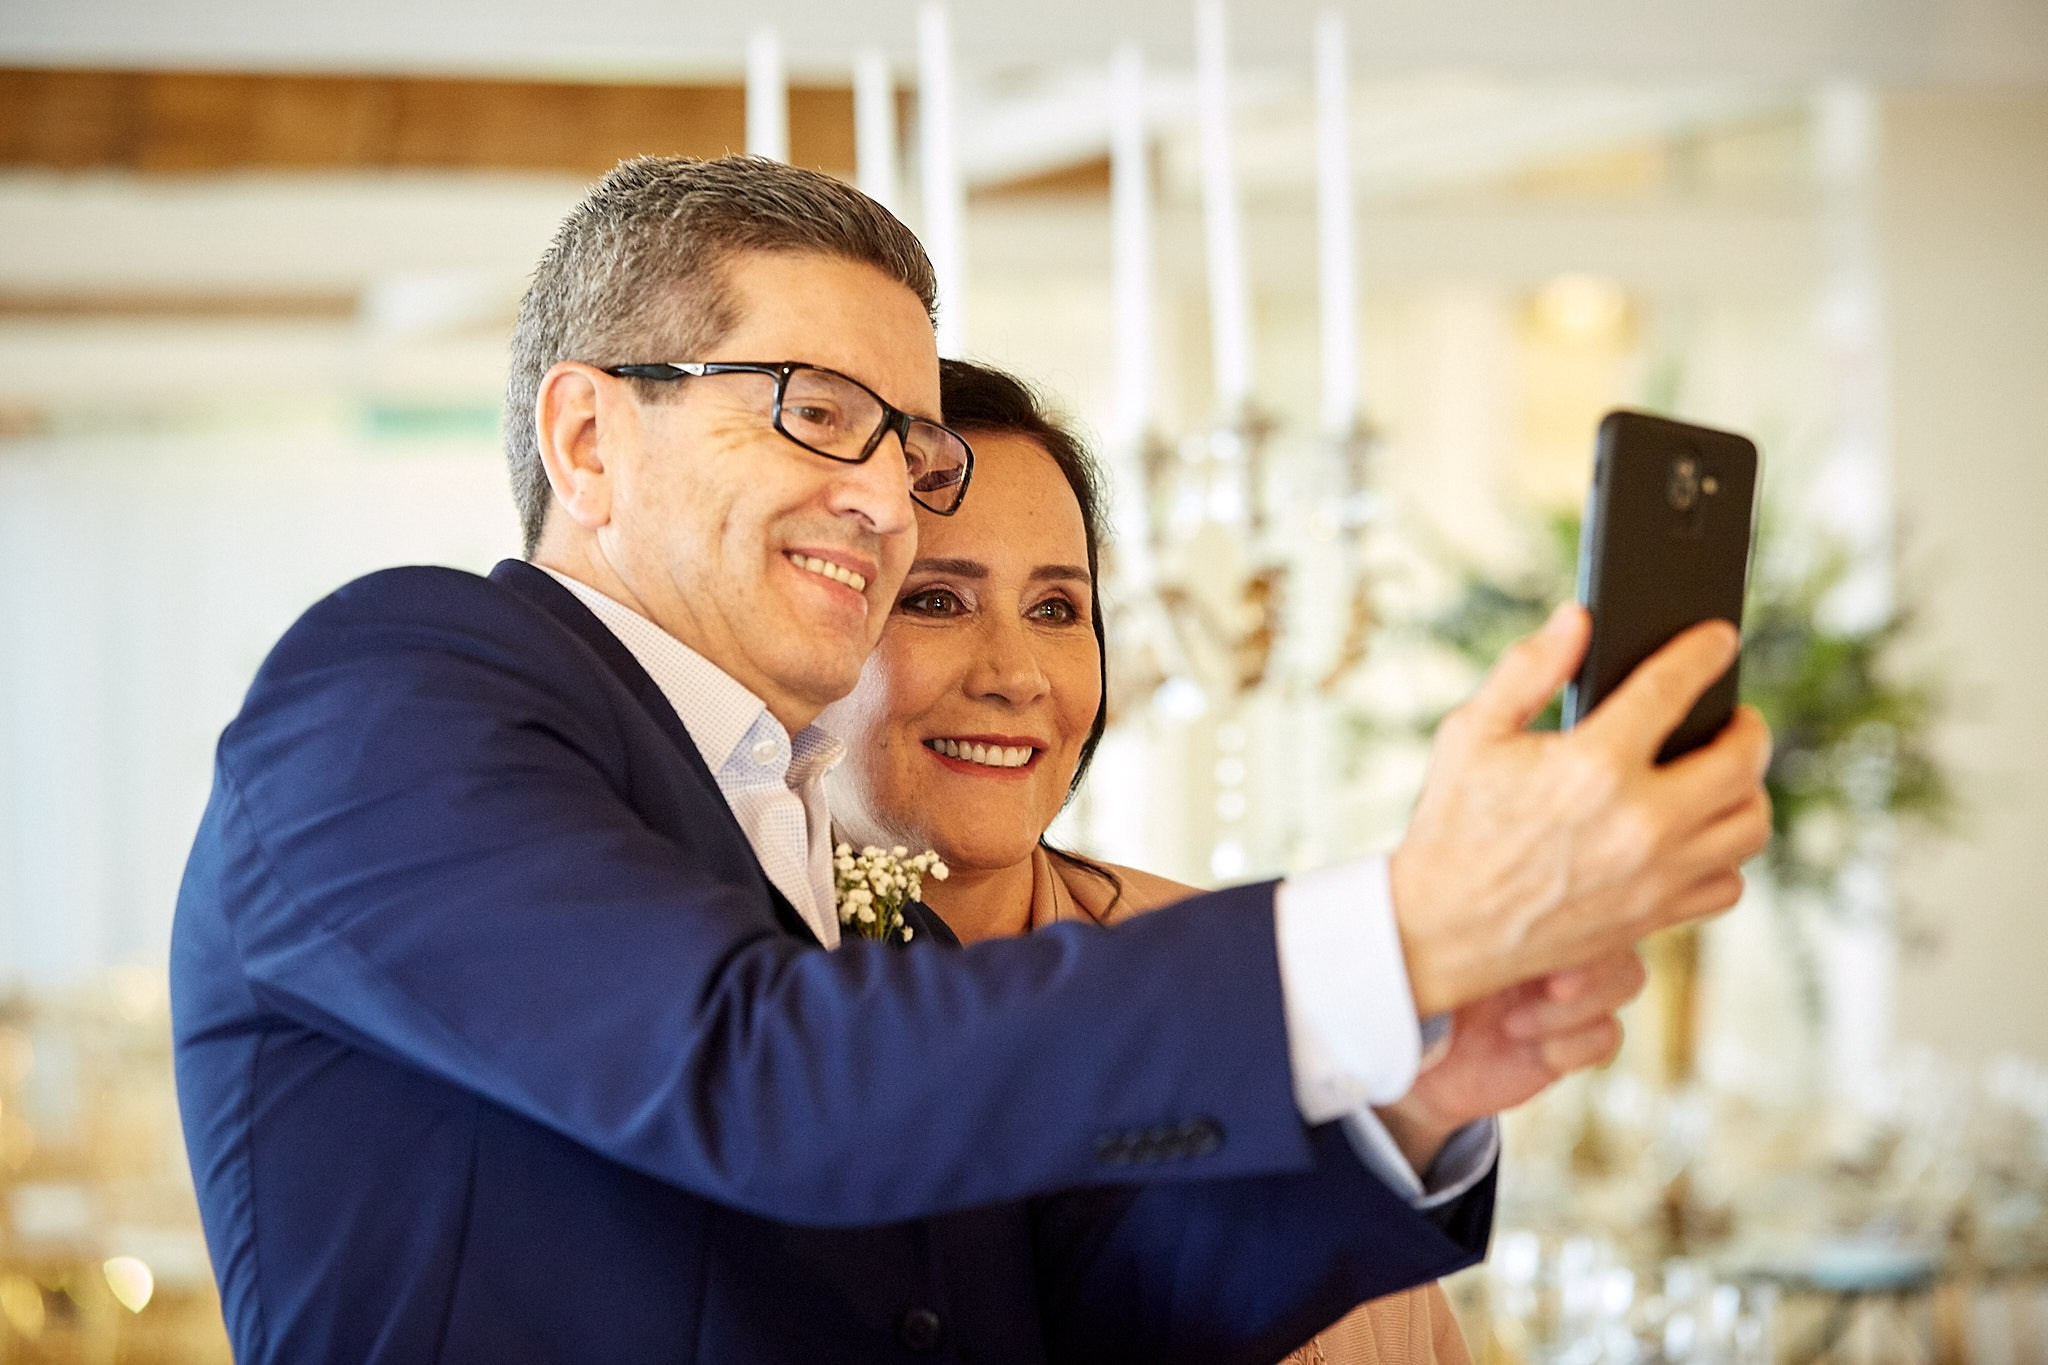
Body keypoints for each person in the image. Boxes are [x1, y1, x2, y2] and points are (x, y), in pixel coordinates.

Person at [171, 155, 1772, 1364]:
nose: (886, 497)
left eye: (908, 441)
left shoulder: (826, 864)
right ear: (589, 439)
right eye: (817, 411)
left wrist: (1411, 1087)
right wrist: (1404, 922)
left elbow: (1073, 1311)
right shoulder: (393, 686)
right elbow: (759, 1079)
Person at [821, 358, 1657, 1365]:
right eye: (935, 602)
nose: (1014, 676)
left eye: (1055, 610)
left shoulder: (1246, 977)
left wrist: (1418, 1096)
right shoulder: (740, 1004)